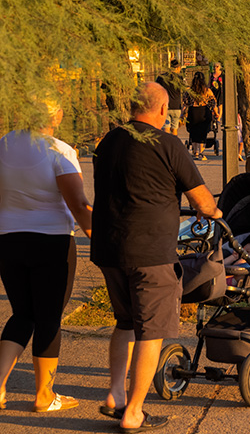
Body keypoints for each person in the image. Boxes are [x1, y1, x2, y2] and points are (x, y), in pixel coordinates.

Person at [91, 82, 220, 431]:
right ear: (162, 110)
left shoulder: (109, 142)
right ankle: (134, 412)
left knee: (125, 322)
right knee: (151, 331)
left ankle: (115, 394)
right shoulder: (167, 144)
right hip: (150, 254)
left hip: (109, 249)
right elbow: (203, 200)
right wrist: (215, 213)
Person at [0, 101, 93, 413]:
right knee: (48, 317)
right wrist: (100, 238)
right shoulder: (58, 150)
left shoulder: (3, 144)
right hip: (51, 241)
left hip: (9, 240)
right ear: (58, 115)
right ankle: (44, 395)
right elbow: (78, 204)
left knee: (22, 313)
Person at [183, 71, 218, 160]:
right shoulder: (207, 91)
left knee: (194, 133)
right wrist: (216, 113)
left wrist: (182, 114)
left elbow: (185, 103)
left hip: (193, 112)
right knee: (203, 133)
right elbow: (213, 103)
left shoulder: (189, 91)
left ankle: (195, 152)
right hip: (204, 112)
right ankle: (201, 153)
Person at [155, 60, 184, 136]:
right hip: (177, 106)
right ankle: (174, 145)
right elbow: (186, 90)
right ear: (178, 68)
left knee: (166, 128)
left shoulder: (162, 77)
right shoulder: (180, 78)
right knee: (175, 129)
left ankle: (166, 146)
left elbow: (155, 88)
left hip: (165, 106)